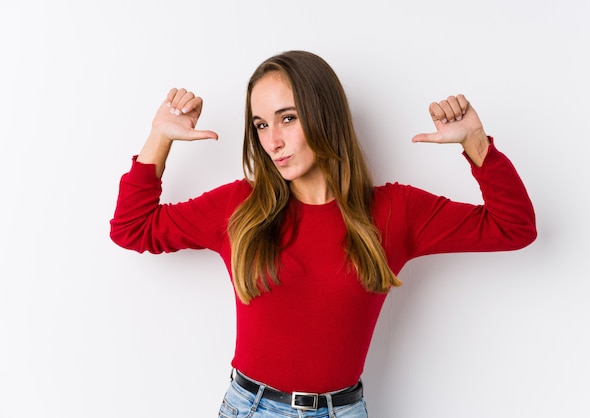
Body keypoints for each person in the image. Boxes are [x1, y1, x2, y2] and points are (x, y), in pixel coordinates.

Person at [110, 50, 536, 417]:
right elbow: (132, 229)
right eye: (260, 125)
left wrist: (476, 142)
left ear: (325, 115)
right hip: (251, 407)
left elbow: (513, 228)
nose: (273, 141)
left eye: (288, 118)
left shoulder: (394, 212)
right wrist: (160, 137)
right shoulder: (240, 206)